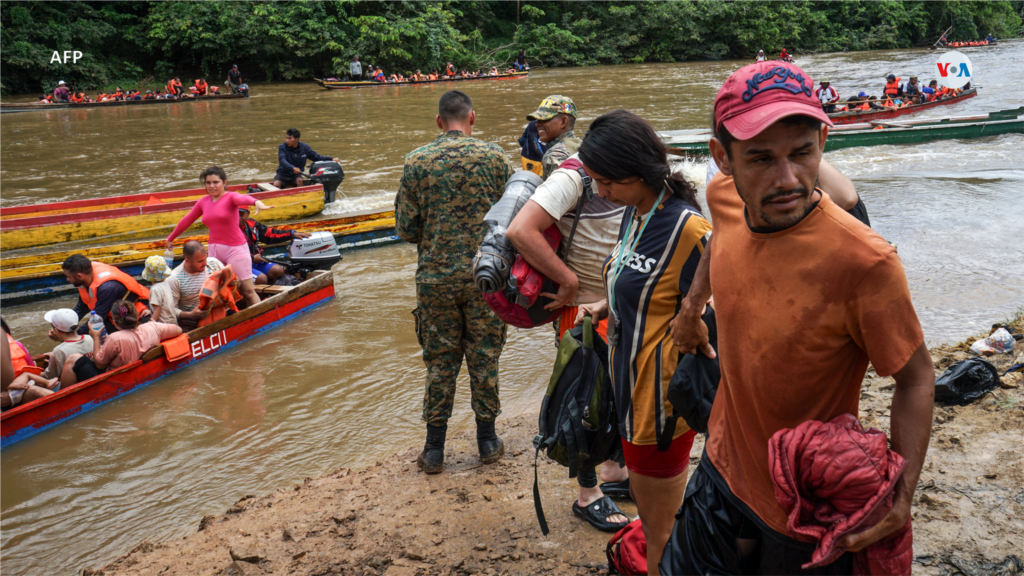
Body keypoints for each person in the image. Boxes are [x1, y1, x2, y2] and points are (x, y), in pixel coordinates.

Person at [661, 61, 934, 575]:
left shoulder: (863, 262)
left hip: (801, 507)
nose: (787, 180)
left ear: (823, 144)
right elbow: (719, 240)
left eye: (801, 153)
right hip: (721, 466)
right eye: (761, 159)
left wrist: (902, 496)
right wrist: (692, 309)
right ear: (722, 159)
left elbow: (917, 379)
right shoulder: (725, 196)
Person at [546, 110, 707, 574]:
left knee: (660, 532)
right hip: (626, 392)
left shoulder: (688, 230)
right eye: (593, 181)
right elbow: (633, 285)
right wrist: (605, 306)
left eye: (606, 182)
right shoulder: (633, 214)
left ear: (637, 172)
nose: (598, 193)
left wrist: (697, 319)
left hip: (658, 406)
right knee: (655, 516)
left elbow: (728, 305)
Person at [506, 136, 632, 531]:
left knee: (615, 395)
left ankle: (613, 472)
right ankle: (587, 493)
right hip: (581, 311)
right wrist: (568, 282)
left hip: (615, 306)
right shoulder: (574, 178)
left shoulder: (629, 175)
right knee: (585, 402)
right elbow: (520, 230)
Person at [395, 90, 513, 474]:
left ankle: (433, 451)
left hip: (435, 278)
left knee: (440, 361)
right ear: (472, 117)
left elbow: (406, 228)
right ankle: (488, 441)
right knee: (485, 357)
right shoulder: (496, 158)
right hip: (488, 276)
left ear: (439, 121)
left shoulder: (416, 161)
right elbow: (516, 219)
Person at [166, 168, 269, 308]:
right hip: (214, 251)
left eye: (216, 182)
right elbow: (187, 219)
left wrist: (256, 202)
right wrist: (171, 238)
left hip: (236, 249)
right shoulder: (204, 201)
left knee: (247, 291)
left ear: (224, 183)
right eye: (208, 183)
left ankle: (260, 317)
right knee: (219, 292)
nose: (211, 186)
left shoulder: (231, 197)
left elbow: (243, 198)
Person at [62, 304, 182, 386]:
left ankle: (63, 397)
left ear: (114, 322)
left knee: (73, 359)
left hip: (114, 380)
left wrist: (96, 338)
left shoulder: (114, 338)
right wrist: (154, 325)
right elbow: (178, 330)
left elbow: (99, 365)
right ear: (136, 316)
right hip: (138, 371)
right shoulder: (153, 327)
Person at [63, 254, 151, 336]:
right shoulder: (86, 276)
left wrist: (74, 336)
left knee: (98, 335)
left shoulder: (107, 287)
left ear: (79, 276)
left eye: (69, 277)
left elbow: (98, 318)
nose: (67, 279)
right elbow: (81, 308)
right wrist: (62, 327)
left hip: (137, 312)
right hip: (110, 310)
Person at [239, 207, 311, 285]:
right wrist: (252, 258)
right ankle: (253, 296)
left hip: (253, 260)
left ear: (248, 214)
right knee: (261, 279)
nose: (238, 218)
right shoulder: (228, 228)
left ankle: (267, 295)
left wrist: (291, 234)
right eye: (235, 215)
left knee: (278, 270)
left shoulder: (252, 224)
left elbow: (269, 234)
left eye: (242, 215)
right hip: (238, 264)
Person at [167, 241, 224, 331]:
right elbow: (169, 310)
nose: (205, 263)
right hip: (192, 324)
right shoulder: (174, 278)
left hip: (221, 315)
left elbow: (232, 280)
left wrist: (236, 282)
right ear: (187, 261)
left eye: (205, 258)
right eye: (200, 261)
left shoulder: (213, 263)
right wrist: (189, 315)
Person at [527, 95, 582, 179]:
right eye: (538, 119)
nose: (537, 124)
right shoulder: (583, 146)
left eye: (544, 119)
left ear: (563, 122)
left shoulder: (553, 156)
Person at [271, 128, 340, 189]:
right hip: (282, 174)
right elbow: (282, 161)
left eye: (289, 138)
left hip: (295, 175)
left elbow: (316, 157)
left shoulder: (305, 148)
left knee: (300, 181)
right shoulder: (282, 147)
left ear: (296, 139)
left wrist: (331, 159)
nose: (287, 140)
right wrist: (292, 168)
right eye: (286, 138)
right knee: (276, 185)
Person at [41, 309, 94, 381]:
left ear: (56, 331)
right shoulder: (90, 338)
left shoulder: (59, 351)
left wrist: (32, 372)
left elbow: (49, 377)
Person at [142, 256, 178, 326]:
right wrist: (151, 311)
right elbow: (163, 304)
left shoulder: (155, 289)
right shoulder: (166, 283)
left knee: (143, 320)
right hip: (172, 322)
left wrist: (152, 323)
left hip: (164, 325)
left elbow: (157, 309)